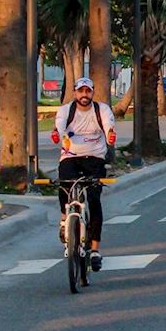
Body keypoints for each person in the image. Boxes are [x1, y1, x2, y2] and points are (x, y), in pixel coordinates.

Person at [51, 77, 116, 271]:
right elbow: (60, 126)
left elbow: (108, 126)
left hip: (95, 157)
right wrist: (56, 133)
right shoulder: (65, 111)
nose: (84, 95)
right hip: (70, 157)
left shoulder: (101, 109)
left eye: (88, 91)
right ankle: (65, 220)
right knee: (64, 185)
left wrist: (110, 134)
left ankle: (95, 250)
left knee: (94, 199)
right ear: (75, 93)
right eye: (81, 91)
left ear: (93, 92)